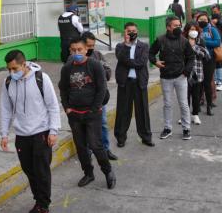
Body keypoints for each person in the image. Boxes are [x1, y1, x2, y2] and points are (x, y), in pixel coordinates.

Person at [0, 50, 61, 213]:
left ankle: (43, 205)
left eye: (14, 69)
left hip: (41, 133)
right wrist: (4, 134)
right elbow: (6, 109)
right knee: (29, 170)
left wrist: (53, 130)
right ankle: (39, 200)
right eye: (9, 69)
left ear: (24, 64)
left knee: (42, 172)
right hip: (21, 135)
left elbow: (53, 106)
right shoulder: (8, 83)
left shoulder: (42, 78)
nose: (12, 72)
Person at [59, 37, 116, 189]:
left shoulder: (95, 65)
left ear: (86, 49)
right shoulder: (67, 68)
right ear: (70, 51)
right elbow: (63, 88)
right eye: (73, 50)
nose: (76, 53)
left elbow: (102, 88)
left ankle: (108, 171)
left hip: (92, 113)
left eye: (79, 49)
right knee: (81, 147)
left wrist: (95, 108)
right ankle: (88, 173)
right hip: (74, 115)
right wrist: (66, 107)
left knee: (96, 145)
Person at [149, 16, 195, 140]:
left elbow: (191, 57)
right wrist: (155, 62)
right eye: (175, 25)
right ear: (168, 27)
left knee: (183, 103)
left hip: (181, 77)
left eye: (179, 25)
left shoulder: (184, 41)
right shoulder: (160, 40)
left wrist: (186, 71)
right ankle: (167, 128)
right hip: (166, 77)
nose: (178, 27)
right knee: (167, 104)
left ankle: (186, 129)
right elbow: (151, 53)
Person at [113, 22, 154, 148]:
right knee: (123, 111)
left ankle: (146, 137)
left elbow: (141, 63)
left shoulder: (144, 46)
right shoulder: (120, 46)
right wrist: (126, 44)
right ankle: (121, 137)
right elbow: (121, 58)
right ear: (125, 32)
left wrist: (128, 62)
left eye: (134, 30)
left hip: (139, 82)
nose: (132, 33)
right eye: (129, 30)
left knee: (142, 111)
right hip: (125, 83)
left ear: (137, 31)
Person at [82, 31, 118, 161]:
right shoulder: (76, 58)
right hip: (84, 101)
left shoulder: (98, 55)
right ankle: (88, 153)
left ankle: (106, 150)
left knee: (102, 124)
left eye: (93, 45)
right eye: (88, 46)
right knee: (85, 127)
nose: (91, 48)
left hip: (99, 99)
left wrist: (97, 70)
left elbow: (108, 73)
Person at [183, 22, 210, 125]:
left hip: (197, 71)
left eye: (194, 29)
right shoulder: (183, 41)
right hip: (185, 72)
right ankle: (185, 116)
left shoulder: (200, 41)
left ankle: (195, 115)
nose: (192, 31)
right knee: (185, 96)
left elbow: (205, 55)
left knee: (196, 95)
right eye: (190, 29)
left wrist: (193, 47)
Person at [196, 13, 221, 116]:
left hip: (209, 59)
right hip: (197, 59)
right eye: (200, 19)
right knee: (198, 83)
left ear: (208, 20)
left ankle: (209, 105)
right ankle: (197, 105)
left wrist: (204, 42)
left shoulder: (212, 30)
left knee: (207, 82)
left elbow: (217, 42)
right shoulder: (195, 30)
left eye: (204, 19)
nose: (202, 21)